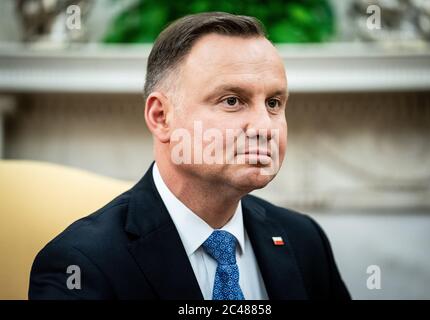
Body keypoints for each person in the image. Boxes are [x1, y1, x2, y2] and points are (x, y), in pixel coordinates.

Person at [29, 12, 351, 300]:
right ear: (161, 117)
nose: (264, 127)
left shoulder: (304, 240)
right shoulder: (81, 263)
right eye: (231, 101)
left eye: (274, 103)